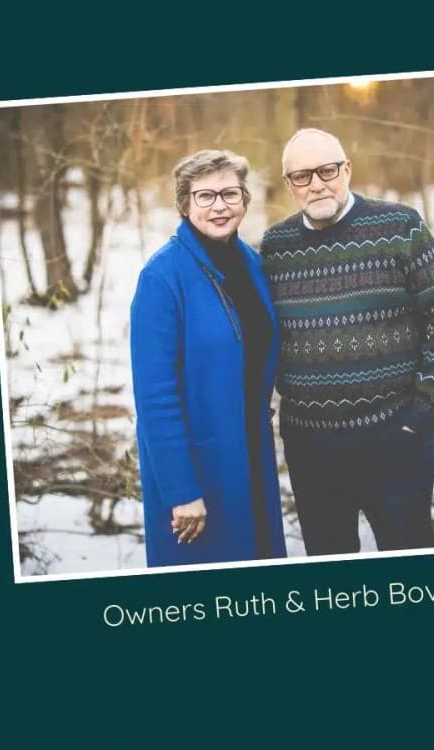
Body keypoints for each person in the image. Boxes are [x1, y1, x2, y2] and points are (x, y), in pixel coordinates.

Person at [260, 128, 434, 556]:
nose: (317, 183)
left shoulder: (399, 227)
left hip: (395, 441)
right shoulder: (275, 247)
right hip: (310, 448)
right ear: (289, 185)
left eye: (328, 170)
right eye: (302, 176)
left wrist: (421, 413)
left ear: (347, 170)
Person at [130, 150, 286, 566]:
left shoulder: (251, 264)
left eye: (229, 194)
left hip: (251, 451)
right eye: (205, 196)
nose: (220, 206)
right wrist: (182, 491)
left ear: (245, 200)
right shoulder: (163, 277)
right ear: (184, 204)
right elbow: (155, 398)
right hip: (200, 465)